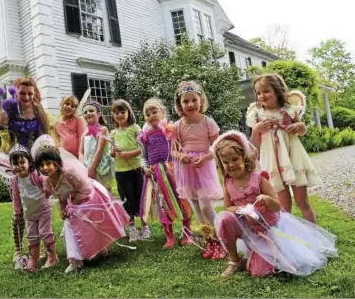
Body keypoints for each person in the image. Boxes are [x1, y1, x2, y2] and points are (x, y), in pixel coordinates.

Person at [213, 130, 337, 277]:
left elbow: (277, 206)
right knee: (224, 218)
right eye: (226, 162)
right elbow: (228, 207)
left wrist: (267, 200)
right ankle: (235, 260)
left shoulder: (258, 179)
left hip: (267, 228)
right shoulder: (228, 182)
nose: (231, 165)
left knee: (260, 273)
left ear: (244, 158)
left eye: (234, 159)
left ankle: (263, 253)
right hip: (246, 226)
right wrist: (242, 209)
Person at [33, 135, 130, 273]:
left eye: (48, 163)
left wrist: (73, 205)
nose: (45, 168)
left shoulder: (69, 173)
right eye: (41, 165)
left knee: (92, 224)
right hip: (73, 201)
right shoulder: (47, 182)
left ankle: (99, 249)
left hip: (90, 196)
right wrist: (63, 209)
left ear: (56, 162)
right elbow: (61, 196)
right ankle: (75, 259)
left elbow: (85, 189)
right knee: (70, 224)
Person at [0, 77, 56, 262]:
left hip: (35, 165)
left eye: (30, 93)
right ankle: (18, 249)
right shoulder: (9, 110)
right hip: (15, 163)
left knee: (38, 206)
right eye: (22, 93)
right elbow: (3, 138)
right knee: (18, 209)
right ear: (15, 92)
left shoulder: (38, 110)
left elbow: (47, 136)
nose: (27, 97)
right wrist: (2, 119)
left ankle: (40, 247)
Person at [247, 74, 321, 223]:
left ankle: (314, 236)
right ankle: (289, 239)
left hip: (293, 159)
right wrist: (256, 130)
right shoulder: (257, 115)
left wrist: (299, 126)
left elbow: (302, 130)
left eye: (266, 91)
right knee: (283, 205)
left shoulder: (289, 110)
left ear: (278, 90)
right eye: (259, 93)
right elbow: (256, 143)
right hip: (273, 162)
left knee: (303, 201)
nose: (262, 95)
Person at [168, 81, 224, 259]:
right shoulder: (177, 126)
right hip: (186, 169)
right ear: (179, 105)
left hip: (203, 167)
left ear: (201, 101)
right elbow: (172, 150)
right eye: (186, 101)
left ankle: (220, 240)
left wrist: (206, 157)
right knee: (196, 207)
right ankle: (209, 241)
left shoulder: (208, 122)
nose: (190, 104)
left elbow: (217, 146)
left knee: (206, 206)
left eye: (194, 100)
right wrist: (180, 156)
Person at [137, 98, 193, 248]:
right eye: (147, 114)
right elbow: (143, 156)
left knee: (181, 199)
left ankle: (187, 231)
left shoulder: (170, 130)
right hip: (156, 174)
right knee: (162, 203)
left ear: (162, 112)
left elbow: (178, 147)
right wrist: (144, 167)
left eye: (154, 112)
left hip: (173, 170)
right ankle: (169, 236)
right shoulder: (144, 136)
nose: (151, 115)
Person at [9, 144, 58, 271]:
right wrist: (16, 212)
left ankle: (52, 256)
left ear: (30, 162)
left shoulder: (35, 176)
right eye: (15, 164)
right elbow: (16, 197)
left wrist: (47, 195)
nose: (19, 166)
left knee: (45, 233)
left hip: (43, 210)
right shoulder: (15, 180)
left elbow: (48, 185)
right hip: (29, 214)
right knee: (31, 236)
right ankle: (33, 259)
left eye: (21, 162)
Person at [110, 99, 149, 242]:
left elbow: (143, 148)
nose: (119, 115)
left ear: (128, 112)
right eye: (116, 112)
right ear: (113, 115)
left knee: (140, 197)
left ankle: (145, 227)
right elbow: (111, 153)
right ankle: (132, 228)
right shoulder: (113, 133)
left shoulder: (135, 128)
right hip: (120, 171)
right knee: (126, 199)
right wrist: (113, 153)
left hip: (136, 169)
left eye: (122, 112)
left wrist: (129, 154)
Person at [79, 99, 115, 192]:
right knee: (92, 193)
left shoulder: (102, 129)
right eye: (85, 112)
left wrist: (92, 168)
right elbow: (81, 152)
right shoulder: (84, 134)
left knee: (103, 192)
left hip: (100, 167)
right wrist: (82, 167)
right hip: (86, 167)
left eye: (91, 111)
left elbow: (99, 150)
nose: (88, 113)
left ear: (98, 114)